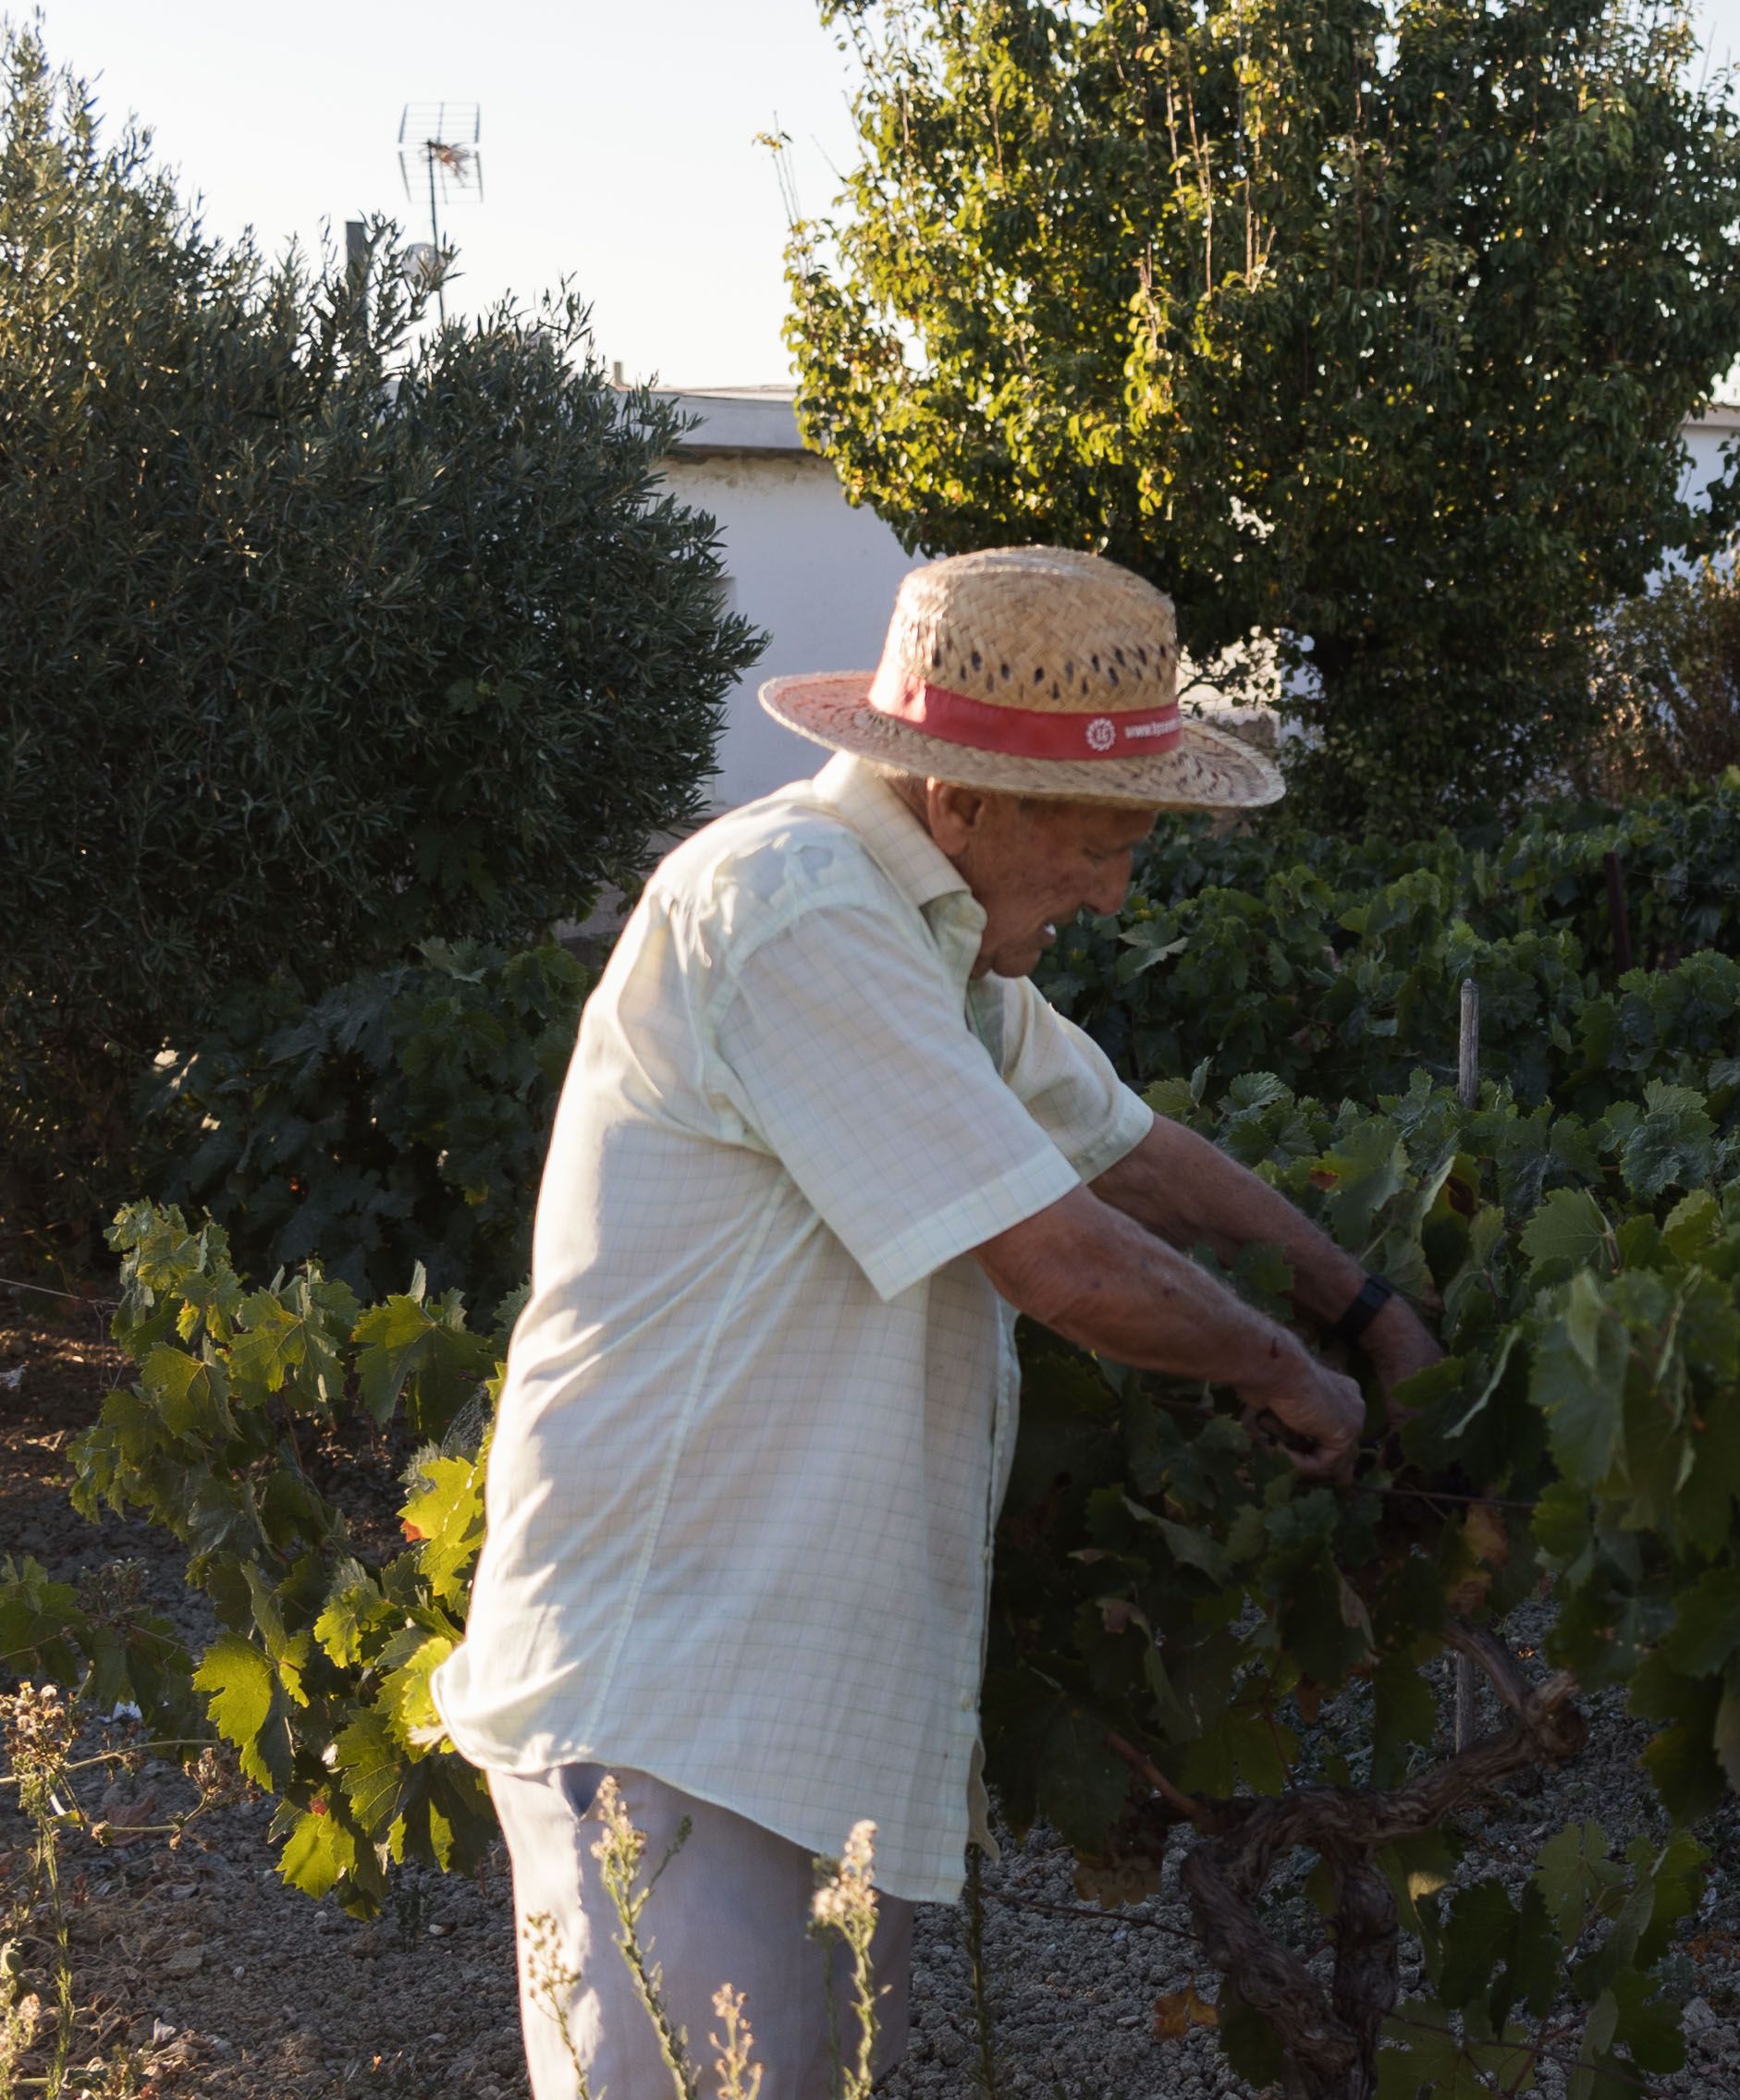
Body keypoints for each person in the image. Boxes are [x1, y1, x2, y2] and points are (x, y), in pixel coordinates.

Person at [433, 547, 1441, 2099]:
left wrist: (1354, 1298)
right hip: (670, 1690)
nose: (1115, 889)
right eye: (1100, 843)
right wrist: (1287, 1373)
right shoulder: (788, 910)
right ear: (963, 801)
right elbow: (1057, 1254)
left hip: (782, 1699)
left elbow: (1129, 1147)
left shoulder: (934, 944)